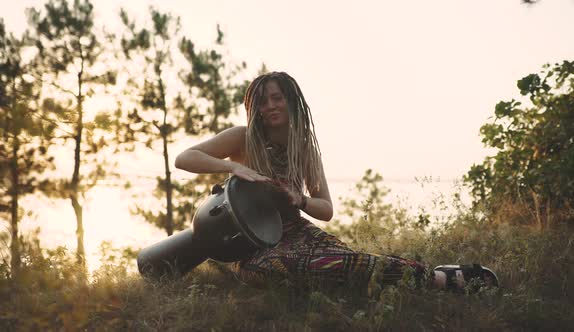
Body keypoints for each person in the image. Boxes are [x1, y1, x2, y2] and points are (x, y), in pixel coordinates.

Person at [175, 71, 498, 292]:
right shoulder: (242, 139)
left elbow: (325, 209)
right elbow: (185, 158)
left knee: (347, 261)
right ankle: (439, 279)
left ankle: (441, 277)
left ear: (290, 101)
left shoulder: (304, 149)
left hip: (300, 233)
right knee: (270, 272)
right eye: (262, 101)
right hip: (257, 247)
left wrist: (299, 200)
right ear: (254, 108)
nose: (270, 106)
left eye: (277, 98)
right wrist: (234, 169)